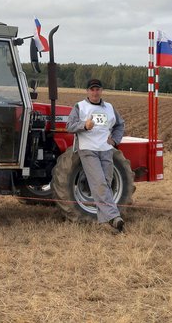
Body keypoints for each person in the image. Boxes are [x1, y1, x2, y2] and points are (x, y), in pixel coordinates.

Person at [66, 78, 126, 232]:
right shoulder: (80, 107)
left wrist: (115, 140)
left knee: (105, 183)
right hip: (88, 150)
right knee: (99, 182)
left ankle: (104, 222)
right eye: (92, 89)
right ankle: (114, 217)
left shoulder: (110, 108)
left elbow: (120, 124)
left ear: (101, 91)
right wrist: (84, 126)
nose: (95, 92)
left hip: (106, 149)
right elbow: (69, 126)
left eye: (97, 89)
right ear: (87, 91)